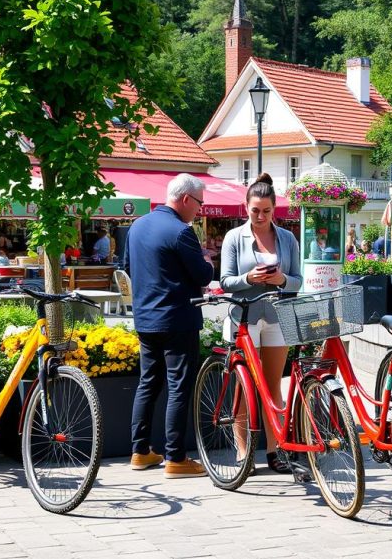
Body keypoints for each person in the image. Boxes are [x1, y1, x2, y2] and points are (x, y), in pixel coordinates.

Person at [127, 173, 214, 478]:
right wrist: (207, 260)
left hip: (146, 319)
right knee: (178, 386)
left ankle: (140, 452)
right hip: (177, 318)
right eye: (199, 203)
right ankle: (175, 458)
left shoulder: (136, 227)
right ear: (186, 199)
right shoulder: (181, 231)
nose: (200, 210)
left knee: (148, 383)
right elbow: (203, 276)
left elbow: (128, 267)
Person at [221, 173, 302, 473]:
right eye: (255, 210)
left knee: (272, 387)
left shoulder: (287, 238)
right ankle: (243, 452)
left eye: (266, 211)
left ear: (274, 209)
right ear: (246, 207)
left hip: (276, 316)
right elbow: (225, 281)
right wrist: (249, 279)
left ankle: (274, 449)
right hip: (244, 317)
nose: (260, 216)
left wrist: (281, 279)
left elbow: (297, 281)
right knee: (244, 388)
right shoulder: (234, 237)